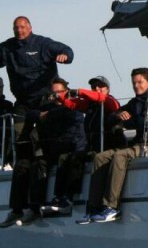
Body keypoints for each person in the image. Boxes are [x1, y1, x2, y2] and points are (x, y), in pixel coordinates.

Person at [78, 67, 148, 224]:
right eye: (134, 83)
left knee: (120, 155)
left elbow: (147, 123)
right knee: (100, 157)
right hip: (139, 146)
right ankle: (93, 208)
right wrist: (117, 115)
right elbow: (110, 119)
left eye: (140, 82)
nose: (137, 86)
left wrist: (125, 122)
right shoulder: (135, 102)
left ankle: (111, 207)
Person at [0, 78, 85, 226]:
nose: (57, 95)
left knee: (44, 163)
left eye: (60, 92)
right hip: (52, 150)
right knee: (22, 164)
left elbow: (74, 120)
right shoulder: (48, 107)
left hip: (69, 150)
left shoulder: (74, 107)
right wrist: (39, 115)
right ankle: (17, 209)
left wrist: (51, 115)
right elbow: (31, 113)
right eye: (54, 93)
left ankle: (38, 206)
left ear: (66, 92)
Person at [40, 75, 125, 217]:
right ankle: (60, 197)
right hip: (93, 147)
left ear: (108, 89)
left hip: (108, 147)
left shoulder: (110, 101)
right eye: (94, 87)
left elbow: (103, 99)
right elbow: (73, 105)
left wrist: (81, 91)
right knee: (64, 158)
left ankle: (69, 197)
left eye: (100, 86)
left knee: (76, 157)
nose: (97, 89)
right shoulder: (91, 106)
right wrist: (60, 96)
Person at [0, 16, 74, 114]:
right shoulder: (6, 47)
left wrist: (65, 55)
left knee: (50, 125)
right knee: (18, 127)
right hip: (23, 101)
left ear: (30, 28)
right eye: (16, 28)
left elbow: (66, 50)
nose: (19, 30)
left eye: (22, 27)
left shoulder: (43, 44)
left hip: (47, 100)